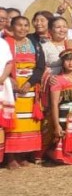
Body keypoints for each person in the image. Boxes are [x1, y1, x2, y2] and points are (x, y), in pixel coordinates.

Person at [4, 16, 44, 168]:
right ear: (12, 26)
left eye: (26, 25)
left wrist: (30, 83)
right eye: (19, 25)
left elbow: (40, 66)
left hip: (30, 88)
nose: (23, 28)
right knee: (13, 122)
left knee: (28, 122)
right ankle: (10, 157)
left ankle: (23, 155)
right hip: (12, 87)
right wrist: (10, 78)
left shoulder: (34, 43)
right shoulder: (6, 43)